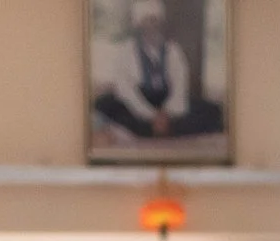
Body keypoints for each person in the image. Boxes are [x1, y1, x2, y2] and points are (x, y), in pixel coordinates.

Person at [93, 0, 225, 140]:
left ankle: (153, 129)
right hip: (139, 103)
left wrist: (166, 113)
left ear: (161, 24)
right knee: (104, 105)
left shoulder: (173, 50)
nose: (151, 27)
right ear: (139, 25)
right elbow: (126, 91)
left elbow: (180, 86)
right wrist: (151, 115)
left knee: (212, 110)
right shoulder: (127, 51)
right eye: (147, 22)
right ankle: (152, 128)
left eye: (155, 21)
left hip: (167, 102)